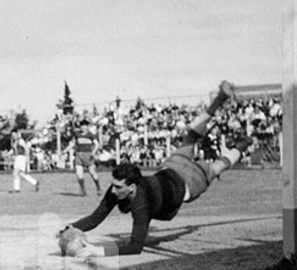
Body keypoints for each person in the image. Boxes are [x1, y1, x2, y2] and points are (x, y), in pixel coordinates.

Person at [64, 81, 253, 258]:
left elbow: (135, 247)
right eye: (113, 185)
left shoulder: (140, 203)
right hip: (171, 166)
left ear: (132, 186)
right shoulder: (121, 187)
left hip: (187, 183)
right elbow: (95, 217)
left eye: (118, 187)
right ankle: (224, 110)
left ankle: (242, 145)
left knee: (217, 166)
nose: (113, 190)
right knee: (191, 135)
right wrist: (70, 227)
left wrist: (100, 251)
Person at [62, 119, 102, 196]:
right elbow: (72, 144)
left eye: (85, 126)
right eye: (82, 125)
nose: (83, 127)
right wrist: (65, 150)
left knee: (92, 173)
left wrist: (93, 153)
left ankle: (98, 188)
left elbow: (97, 144)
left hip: (88, 156)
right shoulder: (77, 134)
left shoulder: (90, 135)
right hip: (79, 155)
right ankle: (83, 190)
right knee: (79, 174)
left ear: (87, 126)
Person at [8, 129, 40, 193]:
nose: (13, 136)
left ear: (17, 134)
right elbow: (14, 150)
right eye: (12, 135)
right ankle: (35, 182)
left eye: (14, 134)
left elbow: (26, 148)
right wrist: (8, 154)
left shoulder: (20, 141)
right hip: (18, 157)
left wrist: (27, 158)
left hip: (21, 157)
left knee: (15, 173)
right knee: (21, 174)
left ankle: (16, 189)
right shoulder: (16, 141)